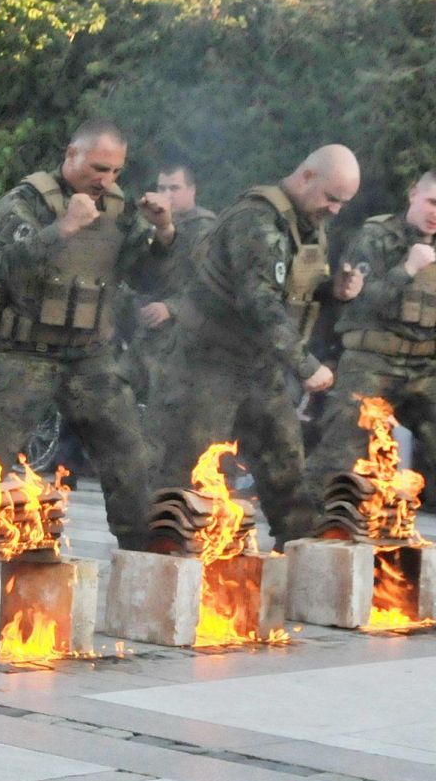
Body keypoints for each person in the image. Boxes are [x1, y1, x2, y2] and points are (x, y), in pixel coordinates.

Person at [0, 121, 173, 549]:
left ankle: (145, 554)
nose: (106, 179)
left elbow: (147, 277)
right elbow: (4, 266)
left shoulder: (118, 209)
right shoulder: (25, 202)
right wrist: (64, 229)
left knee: (130, 457)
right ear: (71, 153)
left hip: (90, 355)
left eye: (115, 171)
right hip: (27, 352)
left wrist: (164, 232)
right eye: (98, 167)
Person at [153, 145, 359, 546]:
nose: (335, 209)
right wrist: (306, 365)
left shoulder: (307, 223)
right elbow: (259, 304)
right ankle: (168, 574)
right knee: (184, 490)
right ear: (306, 178)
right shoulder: (257, 219)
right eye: (331, 198)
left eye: (342, 203)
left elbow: (294, 291)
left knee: (289, 481)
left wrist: (334, 291)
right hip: (206, 367)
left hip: (259, 369)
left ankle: (297, 575)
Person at [304, 171, 436, 511]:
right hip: (372, 362)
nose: (435, 213)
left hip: (426, 367)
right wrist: (406, 268)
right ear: (413, 195)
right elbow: (356, 303)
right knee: (336, 456)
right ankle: (303, 525)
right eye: (432, 202)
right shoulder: (376, 238)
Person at [123, 162, 217, 406]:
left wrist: (171, 308)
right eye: (161, 188)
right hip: (141, 332)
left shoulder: (204, 229)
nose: (166, 195)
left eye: (174, 188)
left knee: (163, 405)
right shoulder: (149, 223)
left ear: (192, 190)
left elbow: (209, 286)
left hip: (180, 337)